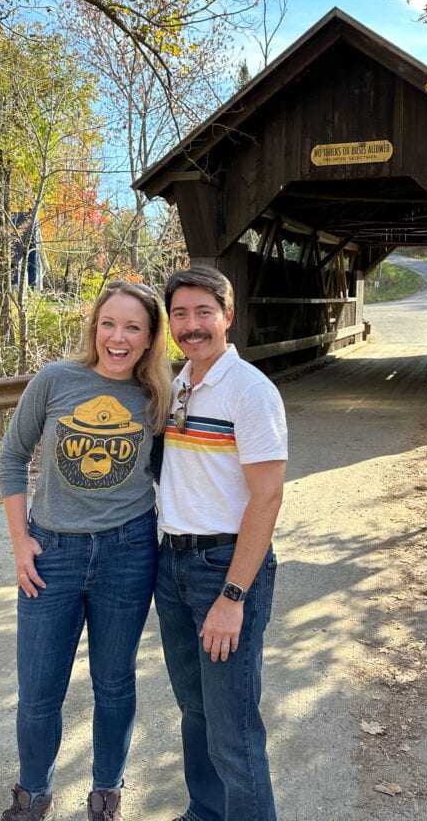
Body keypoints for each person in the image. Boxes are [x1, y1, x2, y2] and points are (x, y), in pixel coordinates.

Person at [0, 280, 172, 821]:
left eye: (132, 328)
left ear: (150, 339)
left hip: (129, 550)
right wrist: (21, 540)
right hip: (52, 552)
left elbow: (177, 473)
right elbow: (10, 457)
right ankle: (33, 795)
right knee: (38, 690)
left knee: (115, 683)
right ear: (95, 327)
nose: (117, 338)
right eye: (108, 324)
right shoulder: (55, 380)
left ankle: (106, 795)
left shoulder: (159, 395)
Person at [155, 265, 288, 821]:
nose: (191, 325)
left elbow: (268, 498)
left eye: (203, 312)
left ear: (228, 317)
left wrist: (232, 598)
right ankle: (206, 812)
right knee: (194, 710)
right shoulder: (176, 383)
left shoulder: (250, 391)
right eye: (180, 314)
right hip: (172, 564)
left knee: (233, 728)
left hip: (222, 568)